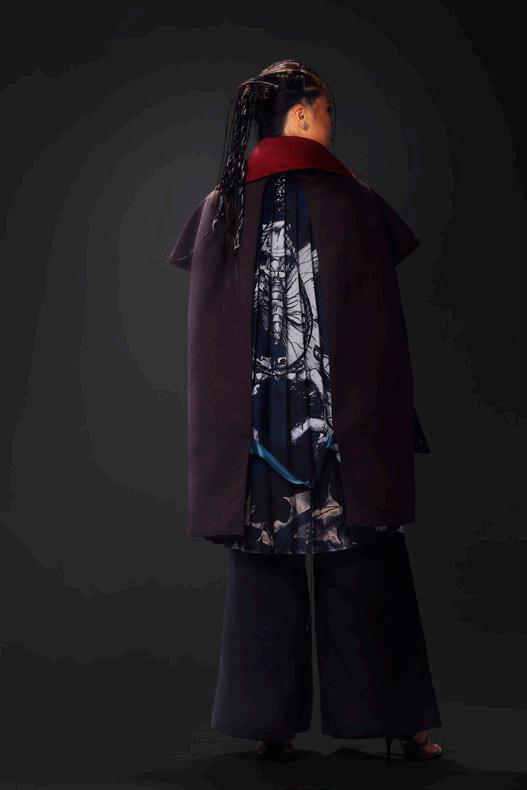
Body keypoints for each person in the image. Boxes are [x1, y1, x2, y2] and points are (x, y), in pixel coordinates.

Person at [166, 59, 443, 764]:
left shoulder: (220, 207)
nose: (329, 124)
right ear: (299, 116)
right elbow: (380, 333)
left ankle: (268, 723)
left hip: (256, 433)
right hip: (341, 426)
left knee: (265, 572)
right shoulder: (353, 201)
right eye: (325, 112)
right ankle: (396, 720)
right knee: (366, 568)